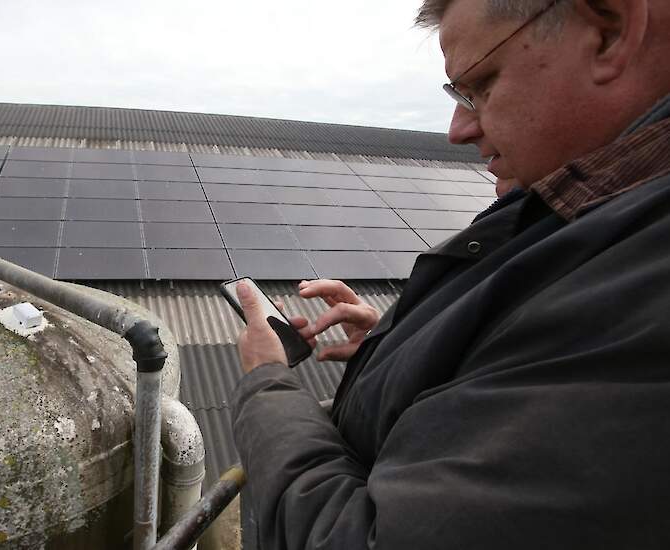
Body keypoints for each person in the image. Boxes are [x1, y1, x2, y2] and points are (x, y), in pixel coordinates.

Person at [231, 0, 670, 548]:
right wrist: (405, 352)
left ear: (611, 30)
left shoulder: (643, 284)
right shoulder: (587, 219)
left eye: (482, 83)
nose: (459, 130)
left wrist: (265, 385)